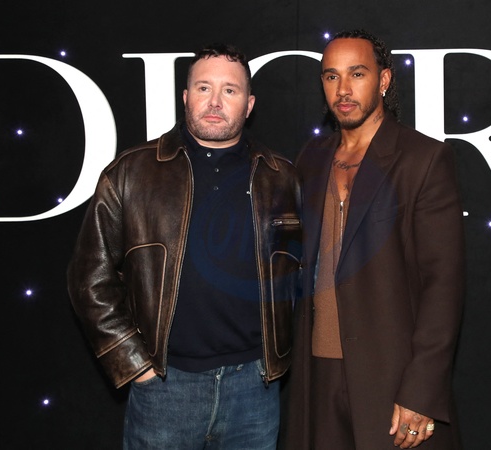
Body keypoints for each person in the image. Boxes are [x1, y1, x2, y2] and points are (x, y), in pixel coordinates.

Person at [67, 43, 302, 449]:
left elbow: (301, 276)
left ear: (249, 105)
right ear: (185, 96)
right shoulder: (131, 172)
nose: (215, 102)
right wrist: (136, 364)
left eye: (230, 90)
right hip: (165, 389)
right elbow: (88, 279)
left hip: (254, 391)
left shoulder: (281, 177)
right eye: (203, 88)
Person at [281, 29, 465, 449]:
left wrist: (421, 391)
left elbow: (444, 285)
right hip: (316, 375)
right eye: (331, 76)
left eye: (357, 74)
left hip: (391, 376)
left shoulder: (423, 159)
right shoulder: (310, 158)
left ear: (383, 80)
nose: (343, 89)